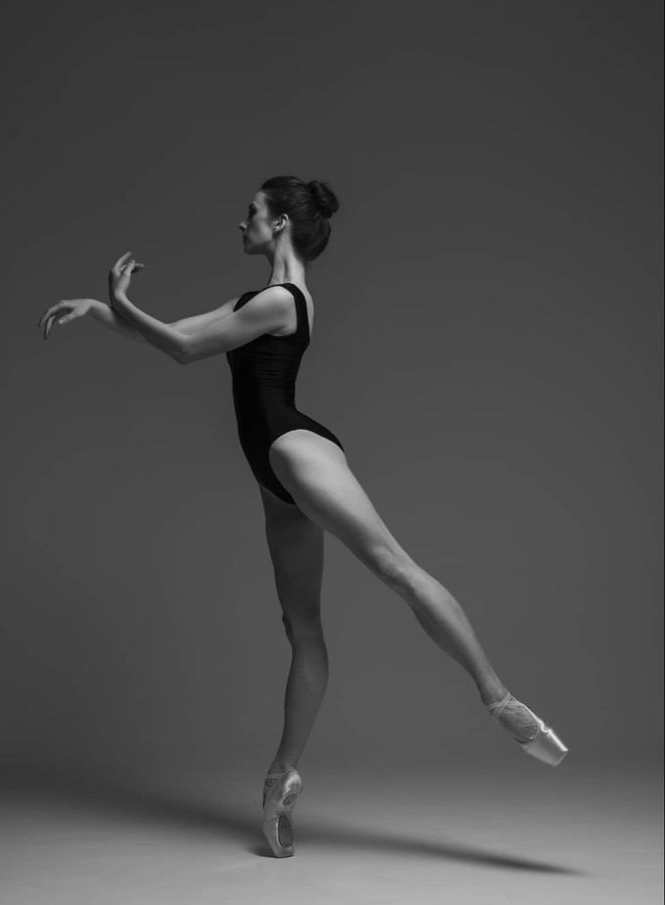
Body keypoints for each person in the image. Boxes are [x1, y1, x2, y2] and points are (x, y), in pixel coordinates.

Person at [37, 175, 568, 858]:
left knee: (396, 569)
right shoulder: (256, 300)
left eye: (251, 212)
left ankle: (500, 700)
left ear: (281, 222)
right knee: (303, 629)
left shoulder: (282, 301)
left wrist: (118, 301)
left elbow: (179, 347)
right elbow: (174, 333)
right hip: (271, 471)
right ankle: (280, 776)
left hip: (294, 448)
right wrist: (99, 310)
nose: (240, 223)